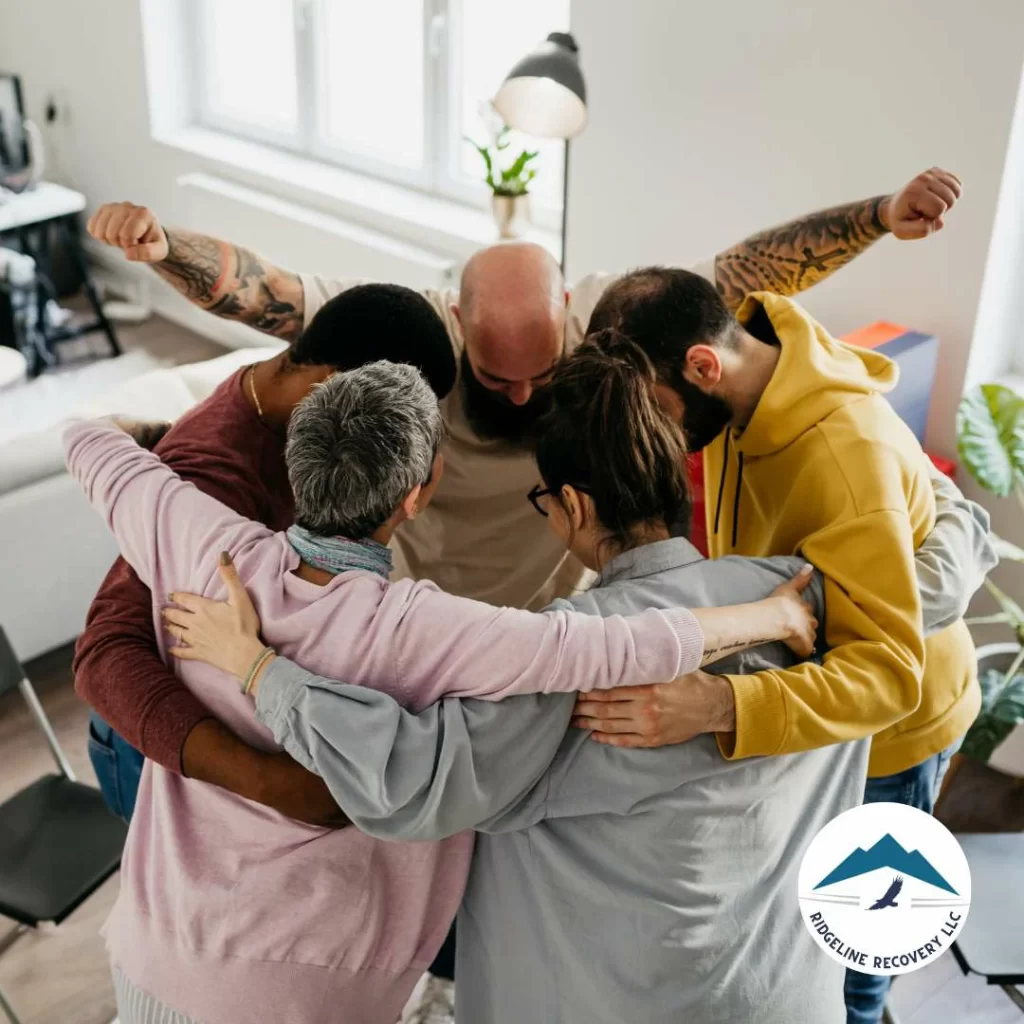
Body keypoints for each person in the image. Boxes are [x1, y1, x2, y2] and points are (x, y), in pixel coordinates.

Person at [160, 338, 992, 1024]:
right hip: (784, 1000)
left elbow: (402, 782)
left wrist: (259, 668)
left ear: (573, 510)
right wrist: (925, 486)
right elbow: (946, 563)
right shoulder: (816, 596)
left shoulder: (561, 664)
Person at [78, 169, 966, 795]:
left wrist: (881, 214)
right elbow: (271, 297)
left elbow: (734, 278)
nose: (524, 395)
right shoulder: (413, 337)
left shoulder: (609, 325)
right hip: (410, 636)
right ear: (456, 322)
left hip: (539, 633)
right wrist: (163, 249)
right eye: (496, 379)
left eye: (543, 374)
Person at [575, 272, 985, 1023]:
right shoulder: (761, 367)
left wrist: (721, 702)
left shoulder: (838, 456)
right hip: (817, 697)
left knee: (859, 943)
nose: (652, 426)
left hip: (892, 733)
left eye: (654, 405)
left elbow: (889, 673)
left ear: (703, 366)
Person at [80, 284, 459, 826]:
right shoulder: (213, 476)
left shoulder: (279, 408)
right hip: (153, 746)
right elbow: (105, 650)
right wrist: (270, 783)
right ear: (333, 387)